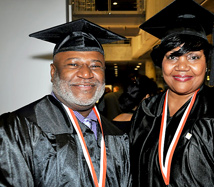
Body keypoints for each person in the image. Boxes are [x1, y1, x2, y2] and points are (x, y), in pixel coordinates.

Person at [129, 0, 214, 186]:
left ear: (206, 62)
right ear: (161, 62)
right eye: (172, 56)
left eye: (193, 57)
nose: (182, 66)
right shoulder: (146, 110)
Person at [0, 19, 131, 187]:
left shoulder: (117, 136)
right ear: (53, 72)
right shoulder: (18, 129)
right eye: (73, 64)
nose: (86, 74)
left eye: (95, 66)